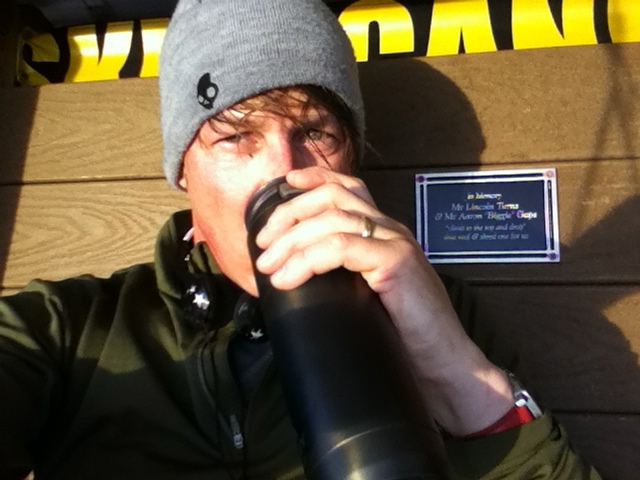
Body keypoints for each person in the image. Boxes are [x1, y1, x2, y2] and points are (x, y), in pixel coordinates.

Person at [0, 0, 600, 478]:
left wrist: (453, 369)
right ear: (184, 170)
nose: (283, 174)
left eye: (315, 133)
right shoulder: (68, 327)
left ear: (351, 163)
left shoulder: (436, 309)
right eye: (235, 138)